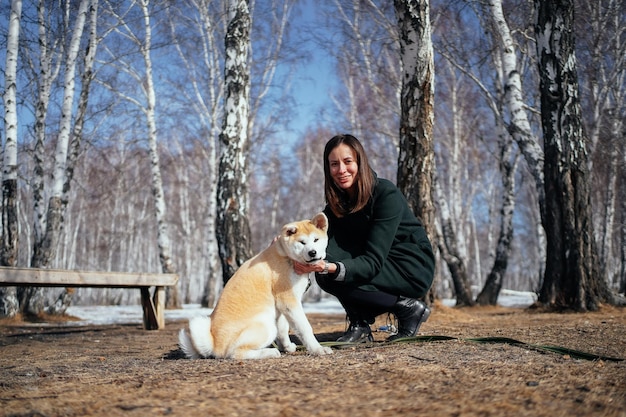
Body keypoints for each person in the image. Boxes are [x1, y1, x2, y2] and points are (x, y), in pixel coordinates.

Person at [294, 134, 435, 343]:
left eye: (347, 161)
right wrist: (288, 245)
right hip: (379, 263)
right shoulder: (336, 206)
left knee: (331, 270)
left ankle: (407, 309)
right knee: (325, 270)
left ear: (360, 161)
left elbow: (373, 261)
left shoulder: (386, 194)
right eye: (334, 164)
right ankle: (360, 324)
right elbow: (318, 241)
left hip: (410, 266)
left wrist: (330, 267)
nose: (341, 170)